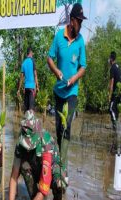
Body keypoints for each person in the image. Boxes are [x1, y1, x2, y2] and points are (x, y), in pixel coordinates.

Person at [0, 110, 67, 200]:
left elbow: (44, 189)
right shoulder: (20, 144)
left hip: (51, 167)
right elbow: (13, 178)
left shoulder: (46, 143)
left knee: (60, 183)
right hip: (34, 165)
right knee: (23, 166)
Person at [47, 3, 87, 169]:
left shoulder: (80, 41)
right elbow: (49, 58)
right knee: (58, 127)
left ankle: (63, 166)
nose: (81, 24)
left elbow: (83, 66)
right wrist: (57, 72)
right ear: (72, 21)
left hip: (72, 91)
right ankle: (58, 159)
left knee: (67, 124)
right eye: (79, 21)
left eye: (82, 21)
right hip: (59, 91)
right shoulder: (58, 37)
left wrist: (74, 78)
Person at [18, 46, 39, 112]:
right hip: (31, 88)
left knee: (26, 109)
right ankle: (30, 121)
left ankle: (26, 121)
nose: (32, 54)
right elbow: (35, 75)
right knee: (31, 109)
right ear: (30, 52)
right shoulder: (32, 61)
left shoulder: (23, 63)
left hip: (26, 88)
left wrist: (19, 89)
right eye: (32, 52)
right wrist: (37, 86)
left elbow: (21, 77)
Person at [108, 51, 121, 131]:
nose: (108, 60)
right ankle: (115, 127)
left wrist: (110, 95)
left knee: (111, 108)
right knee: (116, 108)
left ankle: (115, 126)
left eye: (109, 58)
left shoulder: (112, 68)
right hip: (119, 91)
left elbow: (112, 82)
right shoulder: (118, 66)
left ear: (111, 59)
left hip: (115, 92)